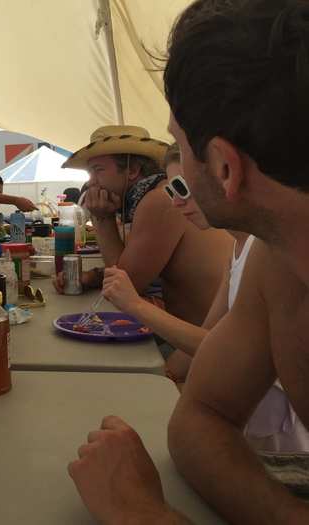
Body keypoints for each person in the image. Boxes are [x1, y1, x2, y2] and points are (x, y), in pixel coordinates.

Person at [69, 1, 309, 522]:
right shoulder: (277, 262)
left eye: (178, 146)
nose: (168, 181)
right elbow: (200, 418)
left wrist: (143, 513)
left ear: (223, 166)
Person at [104, 144, 309, 451]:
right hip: (241, 423)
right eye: (171, 190)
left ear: (225, 175)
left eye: (182, 186)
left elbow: (223, 352)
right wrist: (165, 375)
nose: (177, 202)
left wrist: (135, 306)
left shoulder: (265, 254)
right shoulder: (236, 249)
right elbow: (207, 338)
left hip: (271, 446)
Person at [55, 125, 232, 327]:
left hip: (192, 340)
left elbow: (127, 284)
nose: (91, 182)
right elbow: (127, 267)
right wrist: (94, 276)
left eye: (98, 170)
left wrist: (102, 218)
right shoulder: (144, 198)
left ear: (132, 170)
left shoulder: (161, 199)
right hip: (189, 333)